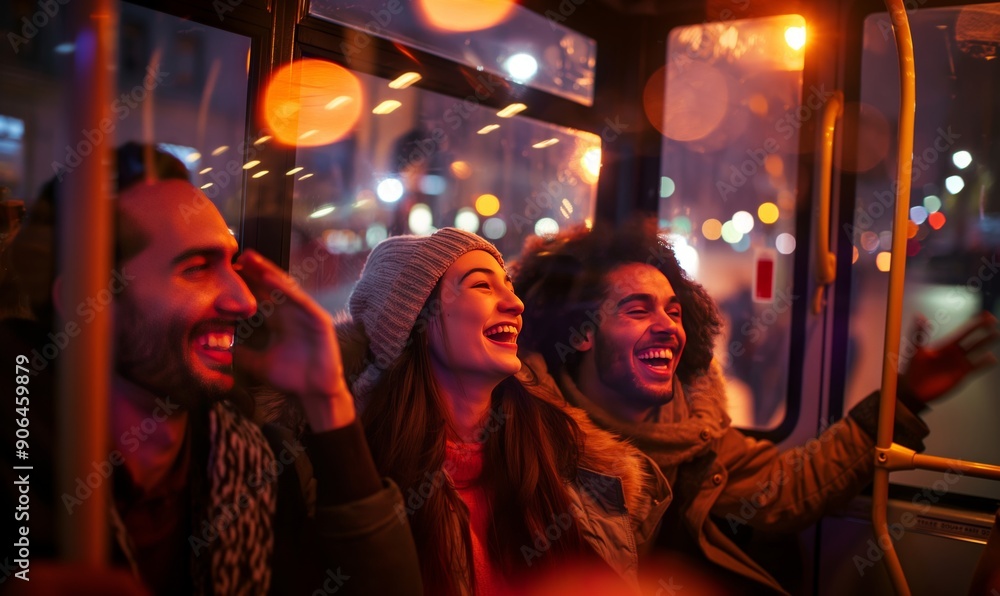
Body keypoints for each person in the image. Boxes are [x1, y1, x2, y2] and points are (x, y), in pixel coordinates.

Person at [0, 143, 421, 594]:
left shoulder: (256, 463)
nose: (243, 301)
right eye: (197, 268)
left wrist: (326, 396)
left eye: (233, 265)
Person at [511, 220, 999, 594]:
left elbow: (788, 487)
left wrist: (907, 396)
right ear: (580, 333)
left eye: (674, 311)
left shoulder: (694, 435)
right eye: (638, 310)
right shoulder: (532, 439)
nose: (668, 327)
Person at [292, 227, 671, 595]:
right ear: (412, 320)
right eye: (481, 285)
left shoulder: (570, 459)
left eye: (507, 284)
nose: (514, 303)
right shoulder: (346, 470)